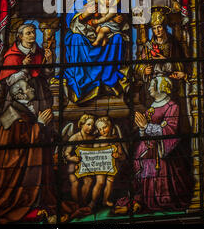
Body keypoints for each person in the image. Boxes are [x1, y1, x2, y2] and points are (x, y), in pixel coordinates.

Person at [115, 75, 193, 214]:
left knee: (159, 174)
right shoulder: (152, 106)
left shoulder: (172, 106)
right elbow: (145, 129)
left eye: (152, 85)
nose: (149, 88)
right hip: (147, 148)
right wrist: (142, 128)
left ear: (161, 88)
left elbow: (170, 130)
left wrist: (146, 126)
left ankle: (159, 200)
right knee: (146, 174)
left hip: (162, 151)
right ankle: (143, 199)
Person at [0, 79, 58, 223]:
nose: (32, 89)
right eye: (28, 87)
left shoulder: (26, 110)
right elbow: (16, 144)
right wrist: (39, 125)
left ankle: (38, 205)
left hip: (30, 161)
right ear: (20, 95)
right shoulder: (12, 115)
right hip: (16, 166)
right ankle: (26, 208)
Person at [64, 0, 129, 103]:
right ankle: (83, 81)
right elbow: (70, 20)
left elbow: (120, 15)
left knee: (118, 38)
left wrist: (119, 18)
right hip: (85, 34)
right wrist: (83, 15)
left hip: (106, 32)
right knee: (75, 39)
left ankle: (109, 79)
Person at [0, 23, 54, 114]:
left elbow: (45, 74)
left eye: (33, 32)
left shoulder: (39, 52)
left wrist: (49, 61)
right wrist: (24, 68)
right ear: (21, 36)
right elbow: (10, 81)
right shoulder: (12, 55)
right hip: (18, 97)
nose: (33, 35)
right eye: (28, 33)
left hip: (39, 92)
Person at [88, 116, 125, 210]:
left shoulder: (116, 140)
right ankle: (93, 202)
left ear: (110, 126)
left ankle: (105, 200)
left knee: (110, 183)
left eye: (104, 127)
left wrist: (118, 155)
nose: (103, 130)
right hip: (101, 165)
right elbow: (93, 155)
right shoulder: (98, 141)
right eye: (100, 129)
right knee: (100, 182)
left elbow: (122, 156)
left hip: (112, 166)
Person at [64, 114, 96, 205]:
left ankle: (83, 203)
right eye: (88, 124)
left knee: (89, 181)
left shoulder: (93, 138)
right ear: (81, 124)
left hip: (87, 165)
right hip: (73, 165)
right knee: (75, 183)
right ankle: (75, 204)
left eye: (92, 125)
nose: (91, 127)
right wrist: (72, 158)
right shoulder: (75, 137)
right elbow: (66, 153)